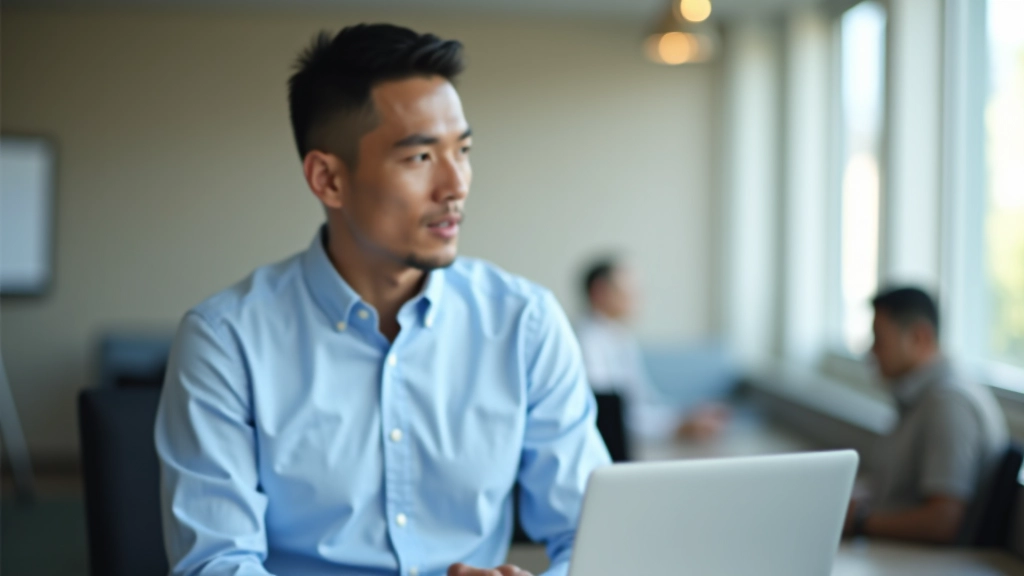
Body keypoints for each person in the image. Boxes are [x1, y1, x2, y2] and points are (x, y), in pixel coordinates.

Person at [154, 24, 610, 576]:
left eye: (462, 150)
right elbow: (217, 564)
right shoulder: (226, 341)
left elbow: (594, 537)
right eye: (420, 158)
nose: (456, 185)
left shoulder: (525, 324)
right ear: (328, 179)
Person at [844, 287, 1009, 544]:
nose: (872, 352)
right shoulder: (918, 397)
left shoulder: (949, 403)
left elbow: (943, 522)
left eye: (879, 340)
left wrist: (858, 521)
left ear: (920, 337)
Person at [573, 258, 728, 442]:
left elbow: (642, 401)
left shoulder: (619, 336)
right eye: (628, 291)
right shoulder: (586, 343)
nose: (637, 298)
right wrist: (679, 426)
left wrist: (686, 415)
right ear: (600, 291)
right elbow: (612, 417)